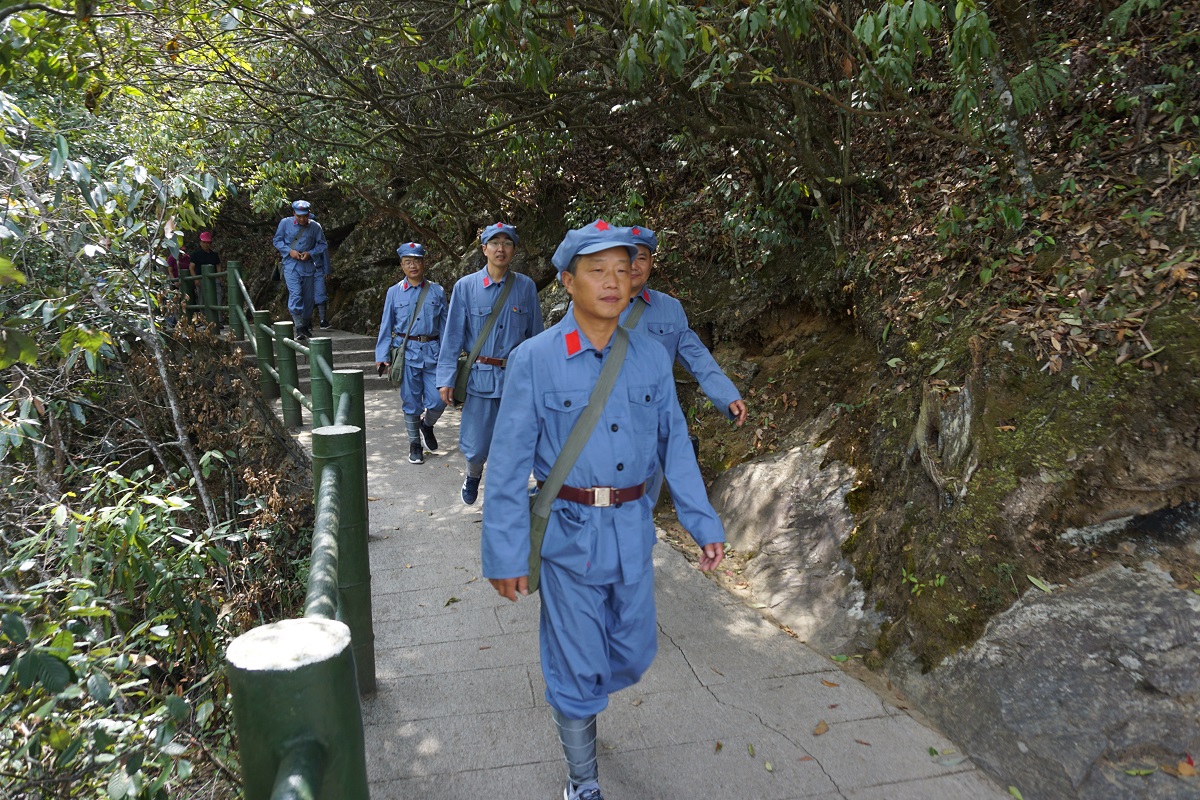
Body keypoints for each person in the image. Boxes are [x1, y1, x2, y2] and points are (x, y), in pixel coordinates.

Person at [482, 219, 726, 800]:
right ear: (568, 282)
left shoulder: (650, 357)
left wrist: (701, 522)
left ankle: (583, 698)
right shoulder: (535, 359)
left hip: (632, 530)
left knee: (634, 651)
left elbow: (675, 444)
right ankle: (582, 779)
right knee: (576, 660)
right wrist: (505, 555)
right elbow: (508, 467)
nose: (614, 281)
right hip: (568, 536)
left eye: (622, 268)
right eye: (598, 271)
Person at [619, 224, 748, 500]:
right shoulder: (591, 304)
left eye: (642, 257)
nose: (634, 265)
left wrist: (727, 396)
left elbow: (698, 357)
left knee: (644, 502)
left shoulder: (670, 309)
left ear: (651, 263)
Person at [436, 222, 542, 505]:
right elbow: (453, 336)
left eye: (507, 243)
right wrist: (446, 378)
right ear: (484, 249)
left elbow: (536, 338)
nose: (500, 249)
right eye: (494, 243)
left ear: (514, 250)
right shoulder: (466, 287)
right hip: (480, 378)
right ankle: (473, 475)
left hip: (516, 380)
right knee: (476, 442)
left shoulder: (526, 287)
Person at [375, 242, 447, 465]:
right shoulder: (394, 292)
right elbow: (386, 325)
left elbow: (446, 326)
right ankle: (415, 443)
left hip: (434, 352)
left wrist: (450, 355)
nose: (413, 266)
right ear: (402, 265)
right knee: (411, 401)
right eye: (408, 262)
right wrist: (382, 356)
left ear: (424, 263)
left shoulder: (437, 291)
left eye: (416, 261)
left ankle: (427, 425)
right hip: (406, 354)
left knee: (440, 399)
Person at [272, 200, 327, 341]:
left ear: (309, 214)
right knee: (296, 294)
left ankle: (306, 323)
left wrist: (310, 253)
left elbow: (322, 245)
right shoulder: (285, 223)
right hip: (291, 265)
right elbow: (277, 240)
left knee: (308, 299)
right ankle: (299, 327)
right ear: (293, 213)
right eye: (299, 216)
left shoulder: (315, 227)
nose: (302, 219)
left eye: (305, 216)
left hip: (308, 266)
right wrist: (289, 251)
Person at [190, 231, 222, 327]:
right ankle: (205, 322)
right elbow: (191, 267)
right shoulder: (196, 255)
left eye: (208, 243)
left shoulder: (214, 255)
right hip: (202, 280)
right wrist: (195, 279)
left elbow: (218, 265)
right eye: (204, 242)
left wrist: (219, 277)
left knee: (218, 299)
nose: (206, 245)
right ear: (200, 243)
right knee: (203, 300)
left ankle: (218, 321)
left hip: (214, 279)